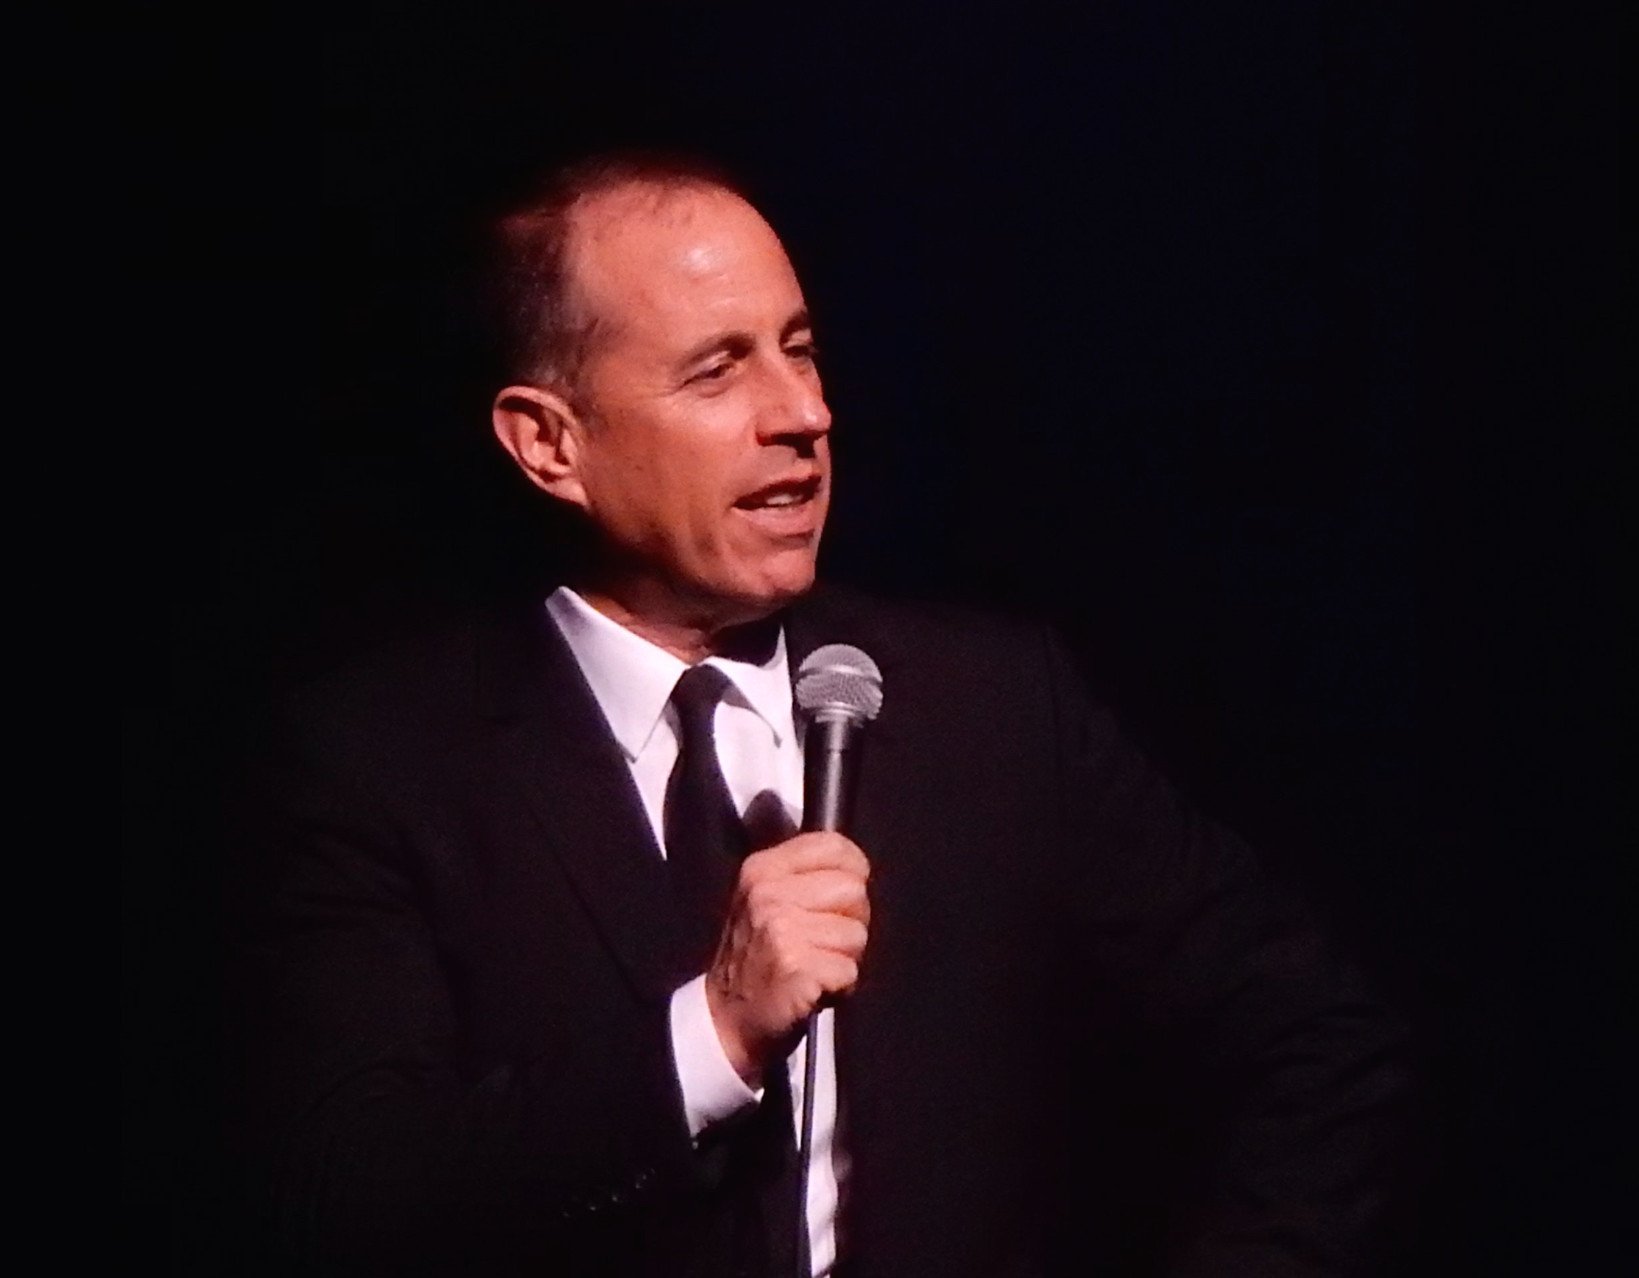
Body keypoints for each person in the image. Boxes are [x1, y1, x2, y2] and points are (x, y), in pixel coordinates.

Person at [233, 153, 1417, 1276]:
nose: (802, 413)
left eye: (800, 351)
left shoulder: (991, 706)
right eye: (717, 369)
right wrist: (714, 1034)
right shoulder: (384, 760)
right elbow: (353, 1202)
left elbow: (1313, 1044)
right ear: (551, 444)